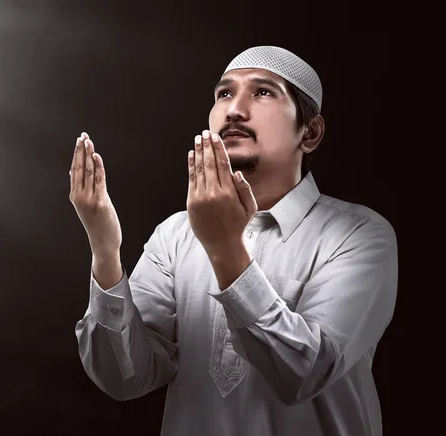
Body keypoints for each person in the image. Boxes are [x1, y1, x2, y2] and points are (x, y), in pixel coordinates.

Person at [69, 45, 398, 436]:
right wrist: (105, 252)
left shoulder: (357, 234)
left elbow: (304, 372)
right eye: (224, 93)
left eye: (263, 92)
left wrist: (225, 250)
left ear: (309, 133)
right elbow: (124, 378)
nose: (234, 110)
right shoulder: (176, 235)